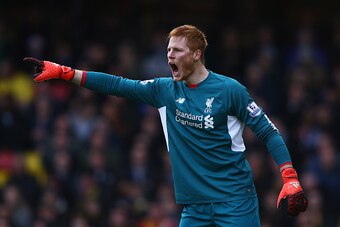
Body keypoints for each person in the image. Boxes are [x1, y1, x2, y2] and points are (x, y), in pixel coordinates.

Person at [24, 24, 307, 226]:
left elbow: (268, 131)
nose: (169, 56)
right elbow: (117, 85)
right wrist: (66, 72)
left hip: (234, 201)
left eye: (177, 51)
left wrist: (289, 176)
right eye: (168, 50)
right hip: (194, 207)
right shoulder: (165, 90)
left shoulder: (229, 90)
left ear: (196, 54)